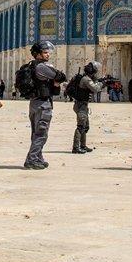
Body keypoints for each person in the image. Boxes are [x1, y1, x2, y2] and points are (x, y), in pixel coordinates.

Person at [17, 41, 65, 170]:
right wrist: (55, 79)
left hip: (34, 103)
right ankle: (31, 160)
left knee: (36, 133)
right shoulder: (41, 67)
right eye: (45, 52)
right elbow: (61, 76)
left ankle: (38, 158)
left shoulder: (31, 66)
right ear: (37, 54)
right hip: (43, 104)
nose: (48, 54)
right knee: (41, 134)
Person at [68, 60, 100, 154]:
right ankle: (75, 148)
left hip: (82, 105)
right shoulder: (86, 79)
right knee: (81, 126)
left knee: (86, 126)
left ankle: (83, 146)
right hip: (80, 105)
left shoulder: (84, 77)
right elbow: (95, 89)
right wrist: (102, 83)